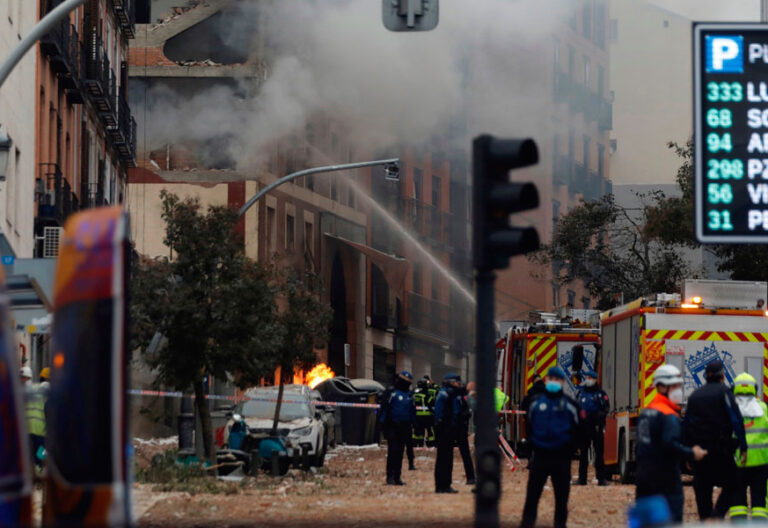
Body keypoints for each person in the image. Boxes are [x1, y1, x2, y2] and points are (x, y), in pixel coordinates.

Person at [636, 364, 707, 524]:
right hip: (665, 478)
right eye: (674, 386)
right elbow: (670, 445)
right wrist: (692, 453)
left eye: (679, 386)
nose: (678, 390)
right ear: (661, 387)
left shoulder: (647, 412)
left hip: (643, 476)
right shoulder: (668, 415)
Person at [683, 359, 747, 520]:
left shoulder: (694, 396)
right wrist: (743, 446)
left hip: (699, 454)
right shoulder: (725, 393)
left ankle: (706, 519)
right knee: (735, 482)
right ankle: (717, 514)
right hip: (721, 451)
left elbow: (686, 426)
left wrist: (688, 453)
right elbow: (736, 421)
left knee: (702, 488)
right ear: (722, 376)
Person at [521, 366, 582, 528]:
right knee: (532, 497)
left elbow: (578, 429)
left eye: (557, 380)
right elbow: (529, 425)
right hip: (540, 456)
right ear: (546, 380)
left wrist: (569, 449)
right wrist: (533, 446)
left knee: (561, 500)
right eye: (551, 379)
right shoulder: (536, 403)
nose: (554, 382)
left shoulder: (570, 405)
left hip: (561, 458)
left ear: (562, 382)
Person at [728, 372, 768, 521]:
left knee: (737, 499)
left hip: (737, 462)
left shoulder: (730, 409)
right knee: (759, 502)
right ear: (755, 389)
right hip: (761, 463)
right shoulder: (764, 408)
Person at [378, 370, 416, 485]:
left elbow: (412, 411)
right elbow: (384, 409)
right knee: (393, 451)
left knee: (400, 452)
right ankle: (390, 477)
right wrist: (382, 425)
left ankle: (397, 477)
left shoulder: (409, 395)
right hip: (392, 426)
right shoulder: (391, 392)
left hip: (405, 426)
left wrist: (415, 425)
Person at [576, 369, 610, 486]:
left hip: (596, 427)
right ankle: (582, 479)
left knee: (599, 454)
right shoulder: (581, 393)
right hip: (584, 428)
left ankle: (601, 479)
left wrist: (598, 416)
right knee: (583, 454)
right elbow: (577, 407)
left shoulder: (601, 394)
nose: (588, 380)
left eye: (590, 378)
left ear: (595, 380)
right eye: (587, 377)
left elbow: (606, 408)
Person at [434, 373, 462, 493]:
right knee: (443, 458)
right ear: (451, 382)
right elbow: (439, 414)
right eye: (457, 382)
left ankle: (445, 484)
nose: (458, 385)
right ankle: (442, 485)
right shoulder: (444, 394)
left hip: (449, 429)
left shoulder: (451, 394)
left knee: (447, 458)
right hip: (444, 430)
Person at [26, 367, 49, 468]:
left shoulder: (32, 389)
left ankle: (33, 474)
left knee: (30, 456)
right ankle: (40, 472)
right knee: (42, 455)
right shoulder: (49, 393)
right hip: (41, 432)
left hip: (27, 429)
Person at [456, 381, 476, 485]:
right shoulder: (462, 397)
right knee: (465, 454)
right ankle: (471, 478)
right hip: (459, 428)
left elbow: (469, 411)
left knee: (465, 454)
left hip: (459, 428)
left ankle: (471, 478)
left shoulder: (463, 397)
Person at [412, 376, 436, 449]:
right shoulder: (426, 394)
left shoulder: (414, 393)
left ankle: (417, 443)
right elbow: (432, 402)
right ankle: (431, 444)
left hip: (416, 416)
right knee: (430, 431)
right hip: (427, 416)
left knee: (418, 431)